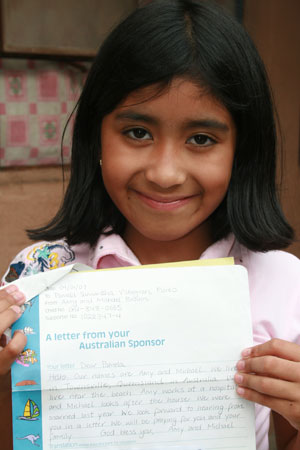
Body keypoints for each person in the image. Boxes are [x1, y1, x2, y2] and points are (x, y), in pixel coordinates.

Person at [0, 0, 299, 448]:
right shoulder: (39, 275)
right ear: (95, 136)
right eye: (138, 132)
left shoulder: (285, 286)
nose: (164, 172)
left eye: (201, 139)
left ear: (242, 151)